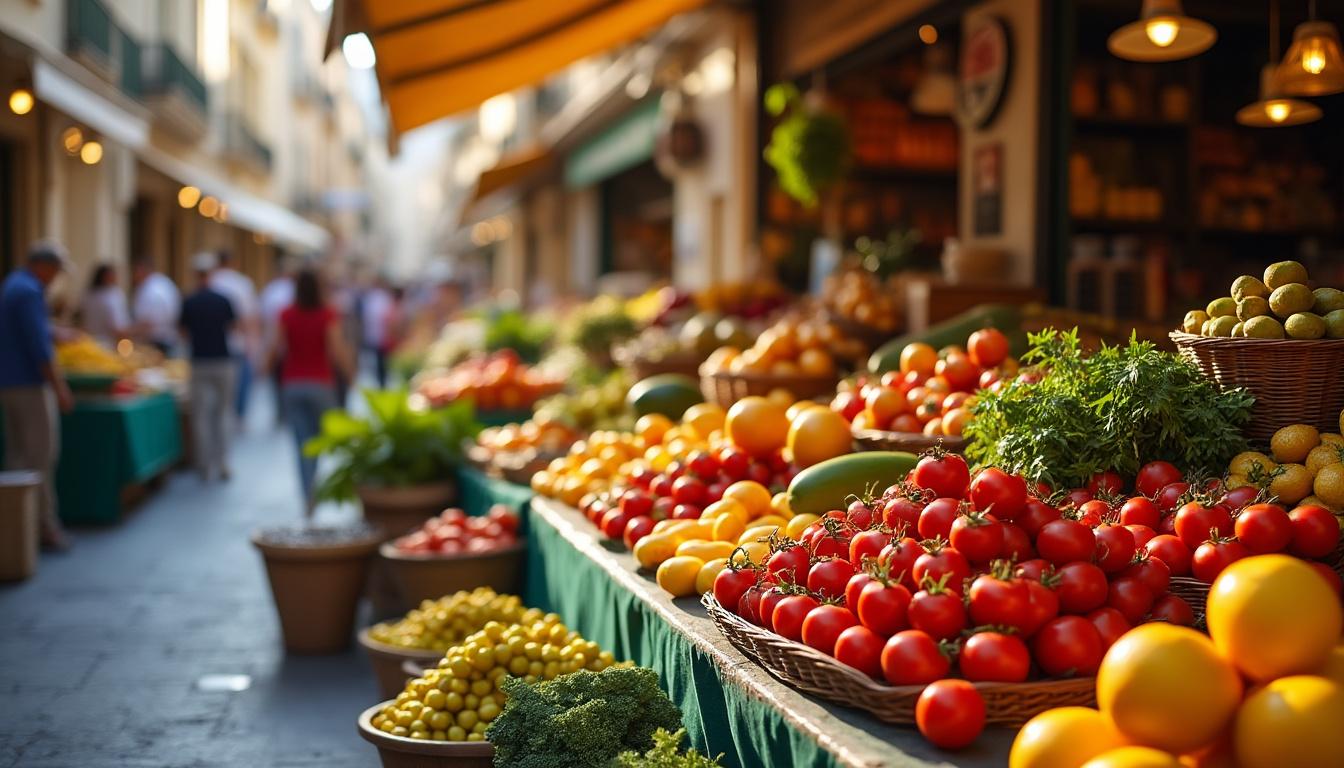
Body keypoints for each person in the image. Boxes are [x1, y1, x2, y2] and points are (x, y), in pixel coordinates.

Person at [0, 242, 75, 550]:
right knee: (40, 456)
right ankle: (44, 527)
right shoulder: (29, 292)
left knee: (19, 455)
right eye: (56, 271)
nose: (55, 278)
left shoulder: (13, 284)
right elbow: (39, 349)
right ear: (44, 266)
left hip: (10, 383)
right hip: (29, 385)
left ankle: (18, 527)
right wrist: (59, 388)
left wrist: (54, 332)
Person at [269, 268, 353, 513]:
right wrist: (351, 375)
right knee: (319, 441)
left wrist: (263, 367)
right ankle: (314, 488)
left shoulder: (287, 314)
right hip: (320, 384)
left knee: (301, 442)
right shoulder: (327, 314)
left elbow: (276, 347)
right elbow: (337, 349)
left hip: (292, 384)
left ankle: (307, 494)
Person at [180, 252, 237, 482]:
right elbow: (232, 327)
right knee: (223, 413)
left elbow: (183, 332)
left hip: (199, 361)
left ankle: (204, 463)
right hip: (222, 360)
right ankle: (222, 462)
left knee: (201, 415)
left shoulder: (189, 301)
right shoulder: (223, 300)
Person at [209, 250, 259, 421]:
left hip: (214, 344)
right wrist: (252, 341)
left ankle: (222, 415)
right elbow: (249, 317)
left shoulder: (212, 282)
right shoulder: (242, 283)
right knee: (240, 382)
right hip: (238, 342)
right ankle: (238, 415)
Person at [259, 257, 297, 424]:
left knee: (277, 379)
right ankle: (287, 410)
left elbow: (262, 317)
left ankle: (281, 411)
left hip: (275, 341)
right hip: (291, 345)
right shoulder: (294, 291)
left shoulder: (270, 290)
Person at [131, 258, 181, 355]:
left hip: (155, 342)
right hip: (169, 338)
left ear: (141, 270)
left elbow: (148, 321)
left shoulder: (149, 289)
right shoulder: (163, 282)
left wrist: (129, 333)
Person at [81, 264, 131, 344]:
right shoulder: (112, 296)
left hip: (90, 342)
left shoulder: (88, 295)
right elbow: (117, 327)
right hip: (110, 343)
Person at [360, 277, 392, 388]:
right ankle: (381, 382)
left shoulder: (376, 298)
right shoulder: (378, 298)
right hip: (378, 335)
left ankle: (381, 381)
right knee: (379, 362)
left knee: (380, 361)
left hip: (379, 335)